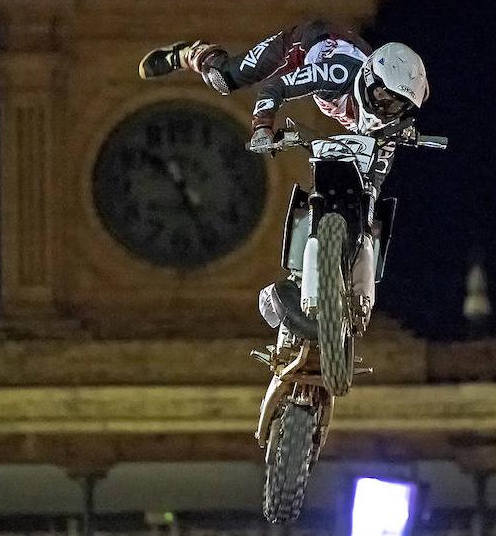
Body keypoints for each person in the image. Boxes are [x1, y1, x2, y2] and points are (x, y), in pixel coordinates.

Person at [138, 20, 429, 333]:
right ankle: (189, 54)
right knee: (225, 79)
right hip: (306, 43)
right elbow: (276, 88)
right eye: (384, 96)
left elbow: (375, 181)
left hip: (356, 64)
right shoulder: (337, 74)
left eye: (399, 106)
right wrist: (263, 127)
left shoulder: (390, 125)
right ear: (370, 80)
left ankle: (351, 286)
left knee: (369, 191)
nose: (387, 108)